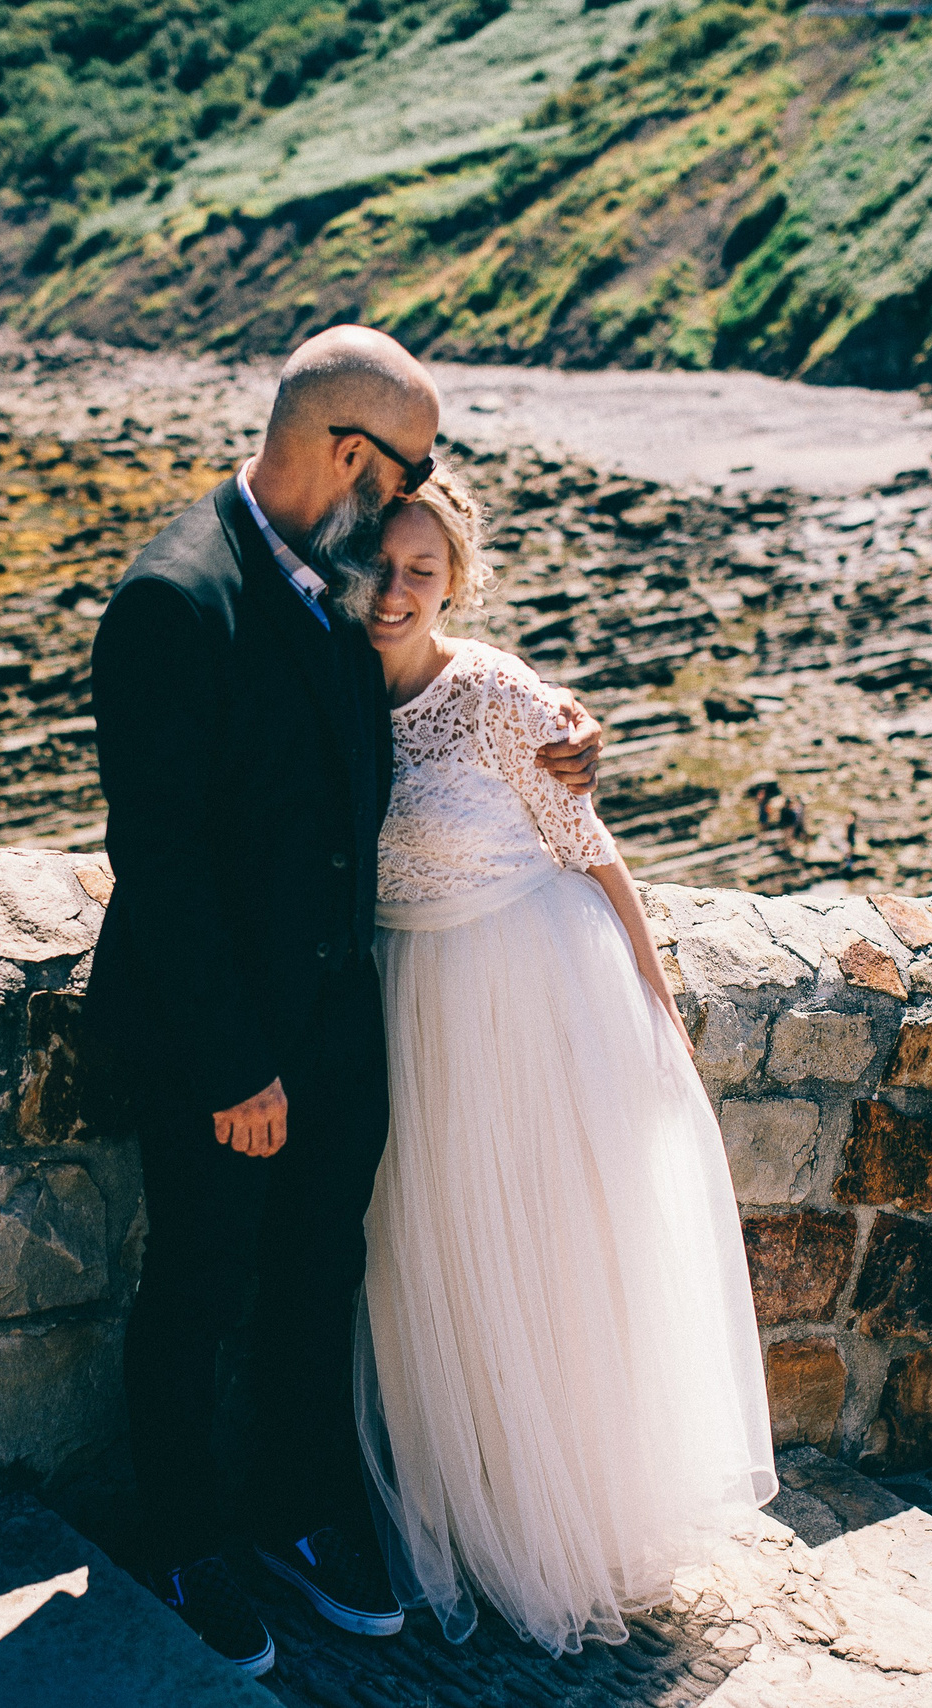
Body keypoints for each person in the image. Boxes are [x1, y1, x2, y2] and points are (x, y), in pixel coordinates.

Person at [85, 325, 604, 1677]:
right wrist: (230, 1063)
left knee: (322, 1273)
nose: (423, 487)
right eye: (419, 460)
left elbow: (426, 674)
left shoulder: (338, 572)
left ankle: (293, 1514)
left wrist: (556, 731)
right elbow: (164, 858)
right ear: (353, 454)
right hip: (228, 1041)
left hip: (338, 1019)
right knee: (199, 1286)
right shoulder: (173, 598)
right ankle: (186, 1544)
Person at [349, 471, 776, 1657]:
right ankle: (474, 1509)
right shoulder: (328, 674)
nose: (394, 591)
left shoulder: (492, 692)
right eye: (379, 565)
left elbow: (590, 851)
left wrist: (651, 1000)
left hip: (525, 992)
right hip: (405, 998)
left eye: (420, 573)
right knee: (435, 1262)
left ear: (457, 583)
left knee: (542, 1260)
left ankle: (559, 1527)